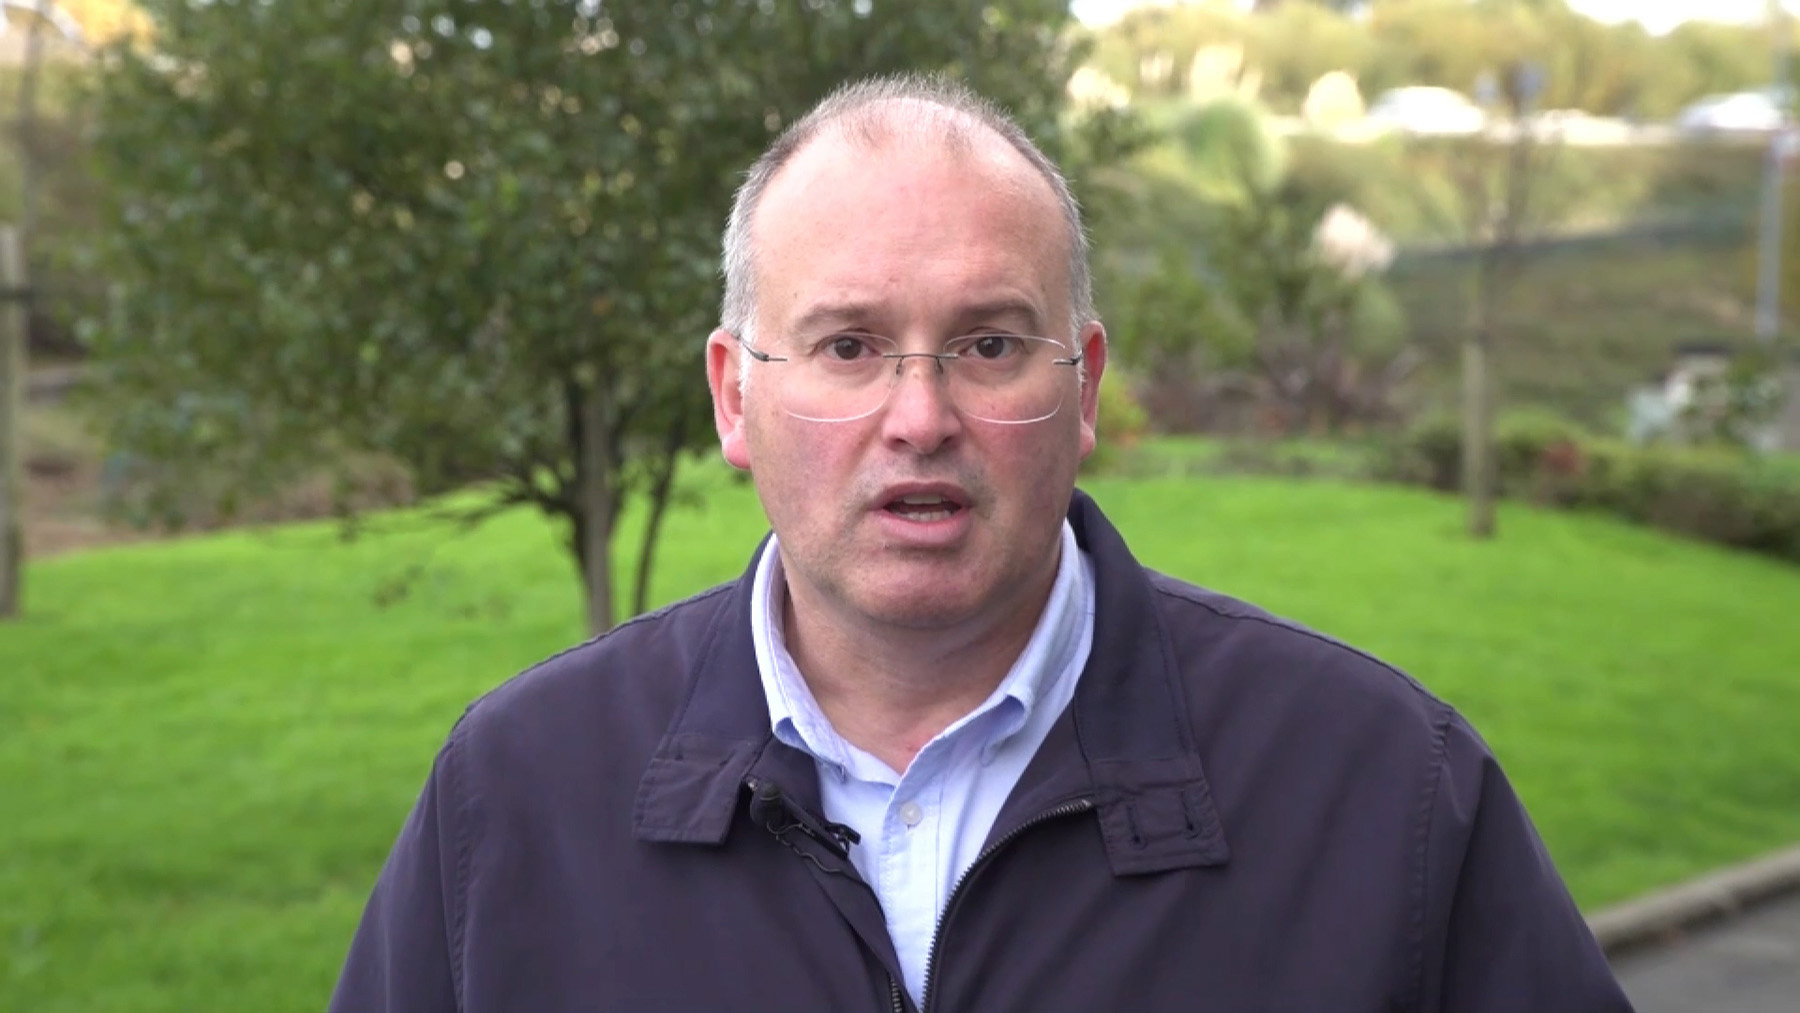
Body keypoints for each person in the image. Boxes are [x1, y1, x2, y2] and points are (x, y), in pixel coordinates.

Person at [329, 74, 1633, 1012]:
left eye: (990, 344)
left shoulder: (1384, 791)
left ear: (1086, 388)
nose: (920, 417)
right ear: (733, 397)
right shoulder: (514, 798)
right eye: (849, 345)